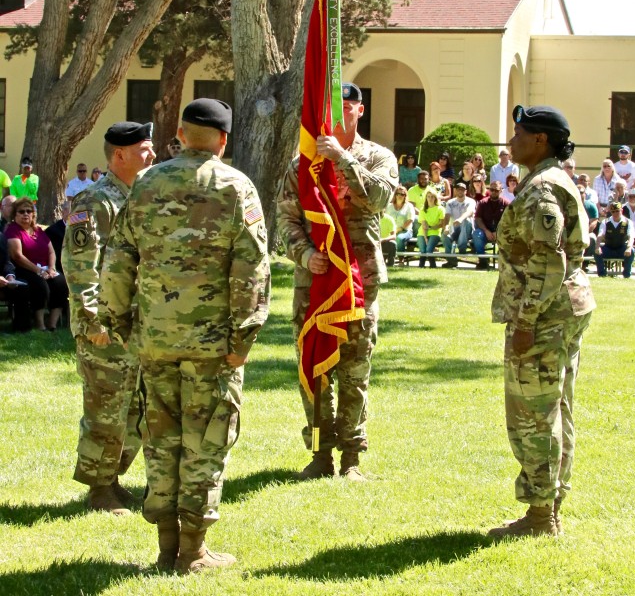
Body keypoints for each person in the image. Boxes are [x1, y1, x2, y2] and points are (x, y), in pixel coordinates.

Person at [100, 99, 270, 574]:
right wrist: (243, 339)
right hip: (213, 345)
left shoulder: (148, 182)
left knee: (161, 440)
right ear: (223, 139)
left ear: (179, 131)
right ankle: (192, 551)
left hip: (155, 339)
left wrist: (120, 322)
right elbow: (251, 270)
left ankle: (165, 547)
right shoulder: (236, 187)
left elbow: (118, 259)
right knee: (205, 441)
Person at [277, 82, 397, 483]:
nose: (339, 112)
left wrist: (343, 158)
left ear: (360, 111)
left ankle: (351, 457)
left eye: (347, 106)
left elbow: (378, 198)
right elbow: (287, 219)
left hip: (360, 279)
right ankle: (318, 452)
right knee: (313, 368)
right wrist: (303, 253)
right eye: (333, 105)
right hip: (315, 278)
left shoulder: (379, 157)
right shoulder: (304, 164)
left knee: (355, 371)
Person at [489, 105, 595, 538]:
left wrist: (527, 321)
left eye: (518, 134)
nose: (510, 142)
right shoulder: (548, 181)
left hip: (545, 314)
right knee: (555, 408)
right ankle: (549, 507)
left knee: (533, 412)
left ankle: (539, 517)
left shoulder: (542, 190)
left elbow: (548, 261)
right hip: (563, 308)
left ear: (540, 141)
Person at [62, 121, 156, 516]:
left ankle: (112, 479)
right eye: (144, 149)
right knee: (105, 406)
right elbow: (79, 265)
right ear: (120, 154)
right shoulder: (96, 201)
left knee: (134, 408)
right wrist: (92, 321)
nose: (152, 156)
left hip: (136, 321)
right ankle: (97, 489)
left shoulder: (141, 196)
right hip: (105, 323)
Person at [5, 198, 69, 331]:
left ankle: (52, 323)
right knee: (40, 285)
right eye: (21, 211)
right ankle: (40, 324)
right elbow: (17, 256)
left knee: (60, 282)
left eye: (29, 211)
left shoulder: (38, 230)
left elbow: (51, 251)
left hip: (45, 269)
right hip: (24, 269)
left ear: (33, 214)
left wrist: (51, 268)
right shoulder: (13, 230)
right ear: (15, 215)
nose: (26, 214)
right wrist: (38, 270)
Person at [0, 231, 31, 333]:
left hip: (3, 280)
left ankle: (21, 330)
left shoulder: (1, 237)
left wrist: (10, 277)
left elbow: (7, 262)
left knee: (22, 287)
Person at [472, 181, 508, 269]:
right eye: (492, 190)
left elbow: (509, 220)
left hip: (501, 231)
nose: (494, 192)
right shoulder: (483, 203)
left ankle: (503, 260)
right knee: (477, 234)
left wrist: (498, 231)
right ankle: (483, 260)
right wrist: (486, 231)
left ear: (501, 191)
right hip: (485, 230)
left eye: (496, 190)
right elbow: (478, 218)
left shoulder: (506, 204)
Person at [594, 201, 635, 278]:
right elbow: (600, 235)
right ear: (610, 212)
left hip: (621, 248)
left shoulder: (628, 222)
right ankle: (602, 274)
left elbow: (631, 236)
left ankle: (627, 275)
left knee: (632, 251)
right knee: (596, 252)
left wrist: (629, 248)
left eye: (617, 211)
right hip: (608, 248)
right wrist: (597, 247)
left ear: (621, 211)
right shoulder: (605, 222)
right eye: (613, 211)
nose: (615, 213)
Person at [441, 182, 476, 267]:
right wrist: (445, 227)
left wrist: (460, 219)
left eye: (462, 189)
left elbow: (469, 212)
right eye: (458, 189)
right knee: (444, 235)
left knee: (465, 220)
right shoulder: (450, 202)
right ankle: (450, 259)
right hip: (454, 228)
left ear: (465, 191)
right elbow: (447, 216)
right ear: (455, 191)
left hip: (467, 229)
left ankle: (462, 248)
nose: (460, 191)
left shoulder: (471, 201)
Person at [417, 188, 446, 268]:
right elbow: (424, 224)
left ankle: (432, 266)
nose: (430, 198)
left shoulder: (440, 209)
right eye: (428, 196)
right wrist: (425, 237)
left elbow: (441, 224)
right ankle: (421, 266)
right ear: (426, 198)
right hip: (422, 232)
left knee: (429, 249)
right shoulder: (423, 209)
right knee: (423, 250)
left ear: (435, 198)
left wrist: (432, 227)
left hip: (435, 232)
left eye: (432, 197)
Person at [386, 185, 414, 254]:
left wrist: (400, 229)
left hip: (405, 230)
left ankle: (401, 258)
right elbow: (385, 218)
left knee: (399, 238)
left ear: (405, 196)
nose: (400, 196)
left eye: (402, 194)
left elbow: (410, 219)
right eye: (398, 194)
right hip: (390, 230)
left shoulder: (409, 206)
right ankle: (387, 257)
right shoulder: (389, 206)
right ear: (395, 195)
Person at [45, 199, 71, 273]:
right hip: (62, 270)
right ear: (63, 212)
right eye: (72, 211)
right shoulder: (53, 231)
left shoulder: (84, 229)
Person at [577, 185, 599, 268]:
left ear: (585, 194)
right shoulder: (569, 205)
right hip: (572, 232)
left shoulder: (591, 206)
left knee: (592, 238)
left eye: (581, 192)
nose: (579, 194)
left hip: (587, 232)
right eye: (578, 192)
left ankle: (585, 264)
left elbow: (594, 223)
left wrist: (584, 232)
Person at [622, 187, 635, 252]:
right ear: (627, 197)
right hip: (627, 236)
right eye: (630, 196)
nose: (632, 198)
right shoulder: (622, 208)